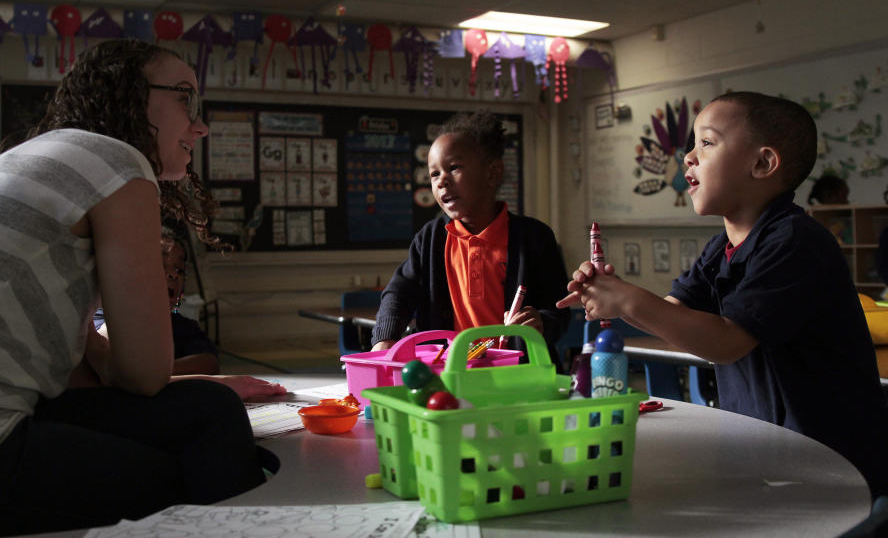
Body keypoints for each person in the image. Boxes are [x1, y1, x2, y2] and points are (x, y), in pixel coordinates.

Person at [0, 40, 271, 536]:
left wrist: (178, 383)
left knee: (199, 406)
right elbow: (143, 375)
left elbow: (75, 379)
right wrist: (185, 387)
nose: (201, 125)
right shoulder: (117, 163)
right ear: (131, 97)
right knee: (209, 421)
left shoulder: (31, 161)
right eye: (185, 98)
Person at [558, 91, 888, 500]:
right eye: (692, 144)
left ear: (762, 163)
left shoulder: (795, 241)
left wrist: (628, 299)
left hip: (833, 462)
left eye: (707, 143)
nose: (689, 158)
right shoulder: (722, 248)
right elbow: (672, 312)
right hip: (772, 453)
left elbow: (727, 341)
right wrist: (610, 294)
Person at [370, 111, 570, 366]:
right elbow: (399, 292)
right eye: (433, 174)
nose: (441, 181)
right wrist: (385, 339)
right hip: (449, 374)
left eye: (453, 168)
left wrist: (541, 322)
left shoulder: (535, 238)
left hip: (520, 375)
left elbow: (559, 312)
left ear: (493, 173)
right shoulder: (430, 239)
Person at [94, 229, 286, 400]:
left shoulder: (182, 326)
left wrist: (154, 371)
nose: (173, 275)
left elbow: (208, 362)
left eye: (179, 270)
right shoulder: (105, 321)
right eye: (161, 265)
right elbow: (116, 374)